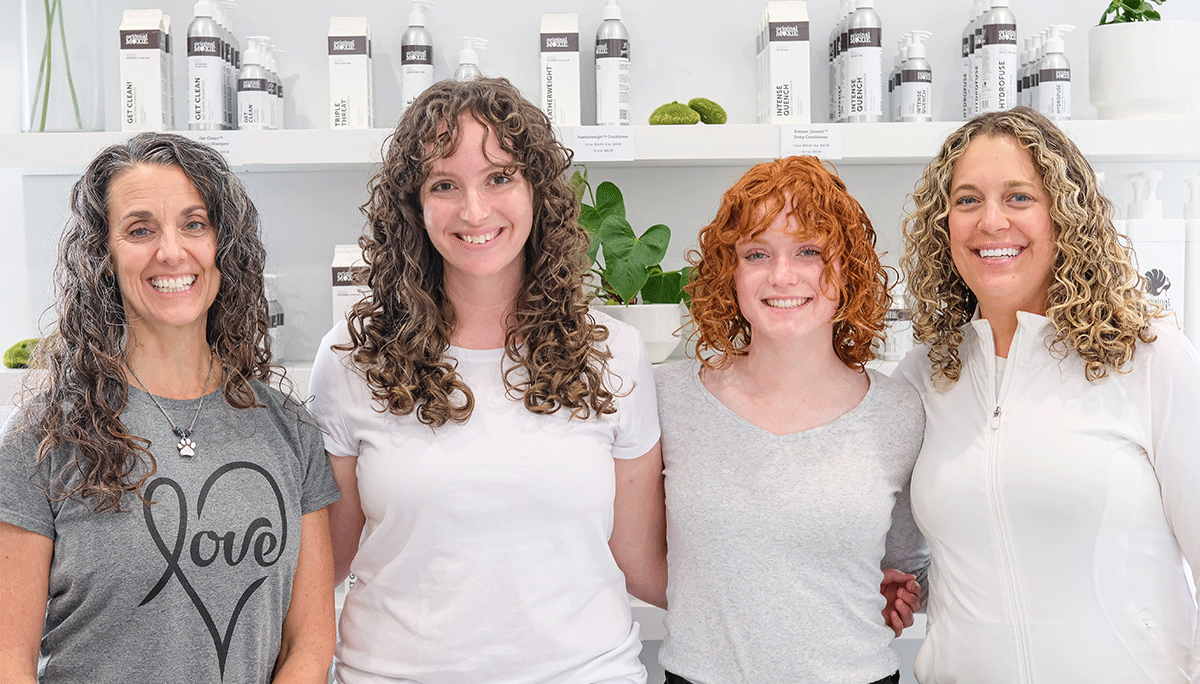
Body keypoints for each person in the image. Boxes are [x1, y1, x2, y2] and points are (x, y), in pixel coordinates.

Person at [306, 77, 665, 684]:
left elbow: (640, 562)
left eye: (499, 177)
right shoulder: (351, 358)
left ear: (538, 192)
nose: (474, 211)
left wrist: (823, 591)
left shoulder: (613, 355)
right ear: (413, 208)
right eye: (444, 185)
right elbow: (325, 567)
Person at [0, 133, 340, 684]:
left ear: (222, 246)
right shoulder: (42, 437)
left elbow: (309, 641)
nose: (172, 252)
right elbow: (7, 661)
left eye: (195, 224)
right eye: (140, 230)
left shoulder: (289, 430)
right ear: (102, 256)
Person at [897, 106, 1200, 682]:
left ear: (1065, 216)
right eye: (966, 200)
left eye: (1018, 197)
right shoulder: (923, 377)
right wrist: (903, 583)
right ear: (944, 227)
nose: (991, 222)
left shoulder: (1150, 359)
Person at [653, 155, 928, 684]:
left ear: (847, 270)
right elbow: (642, 560)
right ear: (728, 272)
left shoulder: (898, 411)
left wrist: (891, 589)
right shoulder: (670, 399)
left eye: (809, 251)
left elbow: (900, 565)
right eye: (757, 253)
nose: (782, 276)